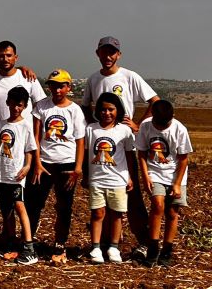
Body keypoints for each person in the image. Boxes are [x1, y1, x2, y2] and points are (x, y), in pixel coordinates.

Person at [80, 36, 159, 260]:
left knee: (130, 195)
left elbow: (154, 100)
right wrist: (94, 127)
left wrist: (138, 124)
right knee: (101, 201)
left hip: (125, 144)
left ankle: (143, 241)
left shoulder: (129, 76)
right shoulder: (94, 79)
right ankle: (106, 243)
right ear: (97, 54)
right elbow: (85, 106)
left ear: (118, 55)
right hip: (101, 147)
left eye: (112, 52)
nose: (108, 56)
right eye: (104, 52)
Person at [25, 69, 86, 263]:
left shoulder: (74, 110)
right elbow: (35, 136)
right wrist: (37, 162)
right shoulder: (41, 106)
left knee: (64, 206)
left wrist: (78, 168)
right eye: (53, 85)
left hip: (66, 164)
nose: (57, 89)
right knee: (34, 204)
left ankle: (60, 244)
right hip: (44, 163)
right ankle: (28, 241)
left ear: (68, 87)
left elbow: (80, 140)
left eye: (61, 85)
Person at [136, 100, 193, 267]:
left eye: (164, 124)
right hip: (155, 172)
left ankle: (167, 250)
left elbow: (183, 159)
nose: (161, 128)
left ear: (172, 117)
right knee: (157, 205)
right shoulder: (146, 126)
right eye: (158, 124)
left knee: (172, 212)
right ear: (152, 116)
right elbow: (141, 153)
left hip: (176, 174)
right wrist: (145, 176)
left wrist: (176, 184)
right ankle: (152, 248)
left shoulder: (179, 129)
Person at [84, 92, 136, 265]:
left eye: (111, 109)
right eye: (103, 110)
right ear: (98, 111)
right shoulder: (91, 129)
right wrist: (85, 175)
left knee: (116, 214)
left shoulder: (124, 131)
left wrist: (129, 177)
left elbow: (129, 155)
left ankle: (114, 247)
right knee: (97, 213)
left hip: (118, 180)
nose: (107, 113)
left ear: (118, 111)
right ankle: (96, 247)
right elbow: (85, 154)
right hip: (97, 179)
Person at [0, 87, 38, 265]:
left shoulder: (26, 125)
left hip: (16, 174)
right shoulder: (2, 124)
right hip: (1, 174)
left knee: (19, 206)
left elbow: (30, 149)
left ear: (25, 106)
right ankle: (11, 242)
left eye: (20, 105)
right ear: (7, 102)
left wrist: (27, 166)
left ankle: (29, 246)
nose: (16, 108)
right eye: (13, 104)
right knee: (6, 209)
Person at [0, 41, 46, 130]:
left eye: (9, 55)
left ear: (16, 57)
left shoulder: (28, 77)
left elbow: (41, 107)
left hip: (25, 134)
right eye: (1, 56)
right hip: (0, 133)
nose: (5, 59)